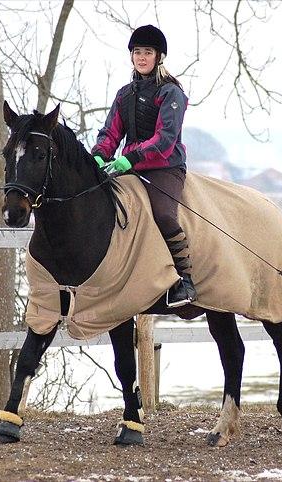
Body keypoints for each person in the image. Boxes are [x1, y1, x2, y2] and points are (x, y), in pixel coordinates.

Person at [92, 24, 196, 308]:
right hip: (131, 167)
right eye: (137, 52)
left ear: (158, 56)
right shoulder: (124, 94)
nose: (141, 57)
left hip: (165, 168)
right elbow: (111, 131)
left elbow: (165, 139)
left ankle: (184, 280)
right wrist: (100, 154)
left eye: (147, 52)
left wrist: (132, 157)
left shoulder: (171, 93)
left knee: (162, 213)